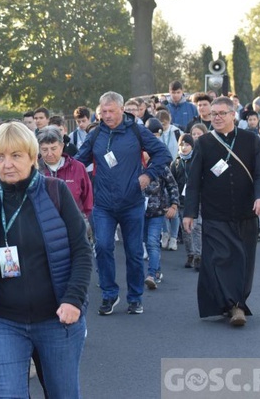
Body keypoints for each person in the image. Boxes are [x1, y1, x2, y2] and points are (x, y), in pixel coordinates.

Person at [0, 121, 92, 398]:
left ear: (33, 157)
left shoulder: (56, 192)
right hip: (4, 323)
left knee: (63, 394)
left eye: (16, 155)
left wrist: (73, 299)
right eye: (0, 157)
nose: (7, 164)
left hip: (57, 320)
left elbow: (81, 250)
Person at [75, 91, 172, 316]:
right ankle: (109, 294)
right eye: (103, 112)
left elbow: (163, 154)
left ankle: (135, 297)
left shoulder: (137, 130)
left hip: (132, 203)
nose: (107, 115)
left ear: (121, 110)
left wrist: (148, 175)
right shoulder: (96, 133)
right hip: (103, 204)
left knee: (134, 252)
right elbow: (79, 162)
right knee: (103, 247)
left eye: (111, 111)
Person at [183, 97, 260, 327]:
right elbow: (193, 181)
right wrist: (190, 212)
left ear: (233, 115)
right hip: (215, 214)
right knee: (221, 259)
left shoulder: (250, 140)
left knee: (243, 261)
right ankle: (235, 307)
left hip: (245, 212)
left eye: (222, 113)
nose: (217, 117)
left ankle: (238, 300)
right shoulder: (203, 143)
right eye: (213, 114)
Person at [141, 121, 180, 289]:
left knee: (152, 242)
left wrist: (173, 206)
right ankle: (156, 270)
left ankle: (152, 274)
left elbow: (173, 186)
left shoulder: (161, 167)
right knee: (142, 243)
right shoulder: (134, 166)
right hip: (138, 213)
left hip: (157, 212)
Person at [171, 134, 202, 269]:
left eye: (187, 145)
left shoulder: (197, 160)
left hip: (197, 198)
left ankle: (198, 255)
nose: (184, 148)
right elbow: (171, 182)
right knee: (186, 229)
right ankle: (190, 253)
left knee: (197, 227)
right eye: (182, 145)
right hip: (182, 199)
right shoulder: (176, 162)